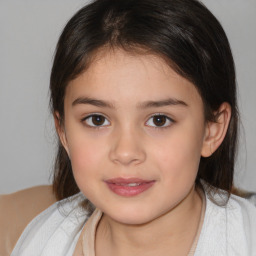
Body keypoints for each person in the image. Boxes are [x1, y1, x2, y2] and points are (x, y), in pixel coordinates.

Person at [1, 0, 255, 255]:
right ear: (63, 131)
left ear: (212, 129)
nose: (125, 152)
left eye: (159, 120)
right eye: (97, 120)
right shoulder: (40, 242)